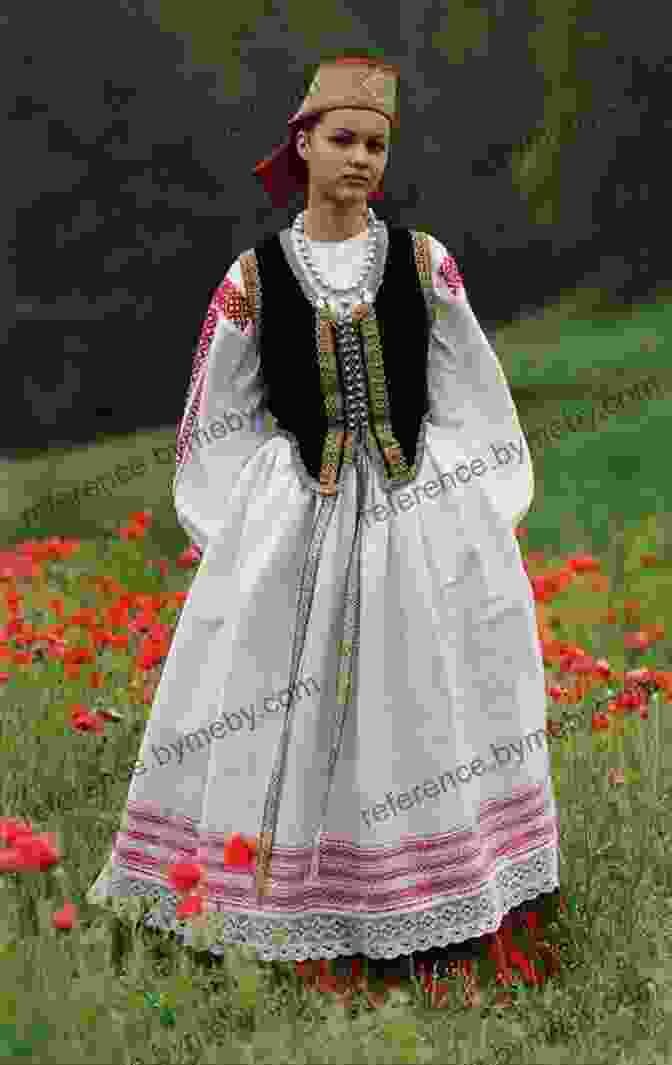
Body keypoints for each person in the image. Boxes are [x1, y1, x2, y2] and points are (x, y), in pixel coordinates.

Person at [87, 55, 563, 1009]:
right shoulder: (255, 275)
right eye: (342, 139)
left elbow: (473, 382)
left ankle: (428, 897)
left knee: (415, 702)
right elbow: (218, 405)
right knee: (283, 707)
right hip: (295, 517)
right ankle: (279, 903)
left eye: (376, 144)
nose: (360, 159)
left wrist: (476, 501)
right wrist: (231, 528)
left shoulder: (424, 263)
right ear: (302, 144)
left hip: (414, 521)